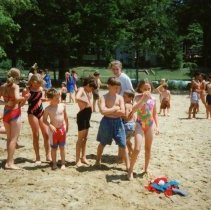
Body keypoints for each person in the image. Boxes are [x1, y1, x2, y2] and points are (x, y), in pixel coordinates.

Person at [95, 77, 130, 172]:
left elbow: (122, 112)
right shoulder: (104, 97)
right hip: (106, 122)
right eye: (115, 87)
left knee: (123, 144)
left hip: (118, 122)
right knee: (102, 142)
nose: (117, 89)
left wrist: (109, 110)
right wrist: (115, 109)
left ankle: (128, 166)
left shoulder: (120, 98)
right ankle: (98, 160)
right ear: (109, 86)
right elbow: (102, 111)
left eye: (118, 88)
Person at [128, 81, 159, 180]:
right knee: (137, 149)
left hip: (150, 125)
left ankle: (145, 169)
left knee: (148, 149)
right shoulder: (137, 98)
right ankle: (130, 170)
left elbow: (154, 114)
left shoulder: (153, 99)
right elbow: (133, 110)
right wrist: (143, 99)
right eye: (144, 89)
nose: (147, 91)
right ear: (140, 89)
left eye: (148, 89)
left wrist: (157, 126)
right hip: (139, 125)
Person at [0, 68, 26, 169]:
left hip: (6, 112)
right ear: (17, 77)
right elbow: (17, 98)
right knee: (13, 139)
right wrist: (24, 97)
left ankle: (8, 160)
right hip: (14, 113)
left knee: (9, 138)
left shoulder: (2, 87)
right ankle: (10, 163)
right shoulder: (15, 87)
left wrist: (6, 103)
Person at [26, 74, 51, 163]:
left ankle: (48, 155)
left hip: (41, 111)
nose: (38, 85)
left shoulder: (41, 89)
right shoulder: (27, 89)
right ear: (31, 81)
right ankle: (37, 157)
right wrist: (24, 98)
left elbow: (41, 99)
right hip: (32, 113)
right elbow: (23, 101)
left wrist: (47, 99)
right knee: (36, 135)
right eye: (36, 83)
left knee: (46, 134)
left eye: (39, 83)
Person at [43, 88, 68, 170]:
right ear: (50, 99)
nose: (58, 99)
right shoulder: (48, 109)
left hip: (62, 129)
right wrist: (50, 125)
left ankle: (63, 163)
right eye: (56, 98)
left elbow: (66, 117)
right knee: (54, 148)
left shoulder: (62, 106)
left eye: (59, 97)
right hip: (53, 131)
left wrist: (66, 125)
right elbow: (44, 120)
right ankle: (54, 163)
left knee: (62, 147)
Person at [75, 76, 97, 167]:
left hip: (88, 115)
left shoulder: (89, 91)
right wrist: (86, 102)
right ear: (88, 85)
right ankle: (77, 160)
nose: (91, 90)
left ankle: (83, 157)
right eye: (91, 88)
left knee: (85, 138)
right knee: (80, 139)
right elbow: (77, 97)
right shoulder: (82, 89)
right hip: (82, 115)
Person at [122, 90, 136, 158]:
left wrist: (118, 114)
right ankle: (131, 152)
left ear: (130, 98)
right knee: (128, 141)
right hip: (132, 125)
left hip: (127, 126)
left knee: (123, 142)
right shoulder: (132, 105)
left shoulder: (126, 105)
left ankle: (128, 155)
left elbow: (126, 117)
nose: (123, 97)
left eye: (124, 97)